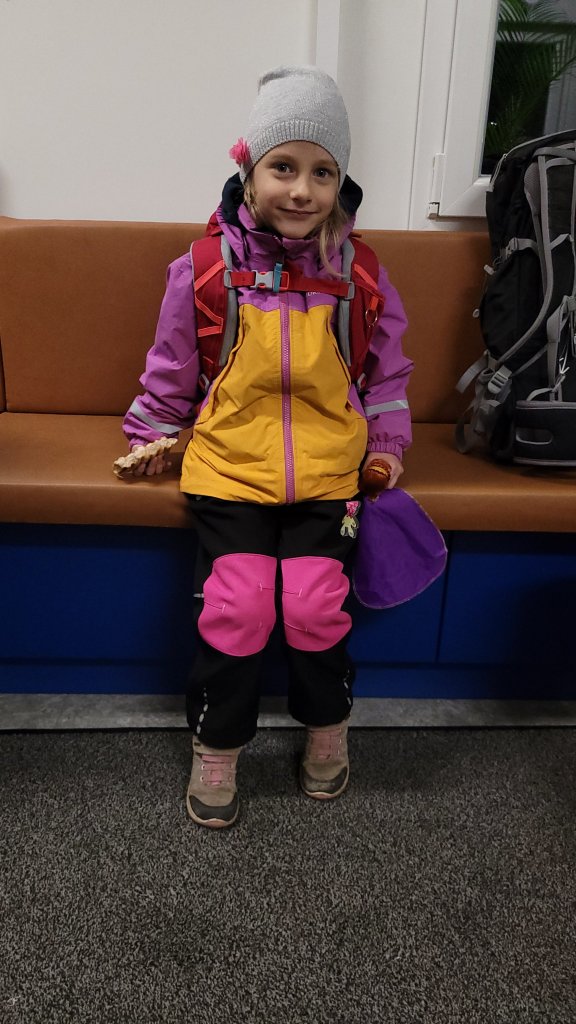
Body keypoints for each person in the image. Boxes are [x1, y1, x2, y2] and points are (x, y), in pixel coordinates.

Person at [121, 65, 413, 829]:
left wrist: (386, 448)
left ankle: (329, 730)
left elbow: (386, 377)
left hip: (330, 473)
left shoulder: (361, 275)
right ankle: (217, 746)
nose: (301, 190)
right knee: (239, 605)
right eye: (283, 167)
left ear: (340, 184)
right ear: (248, 172)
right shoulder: (204, 270)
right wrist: (150, 432)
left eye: (323, 172)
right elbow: (172, 366)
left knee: (315, 607)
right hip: (228, 470)